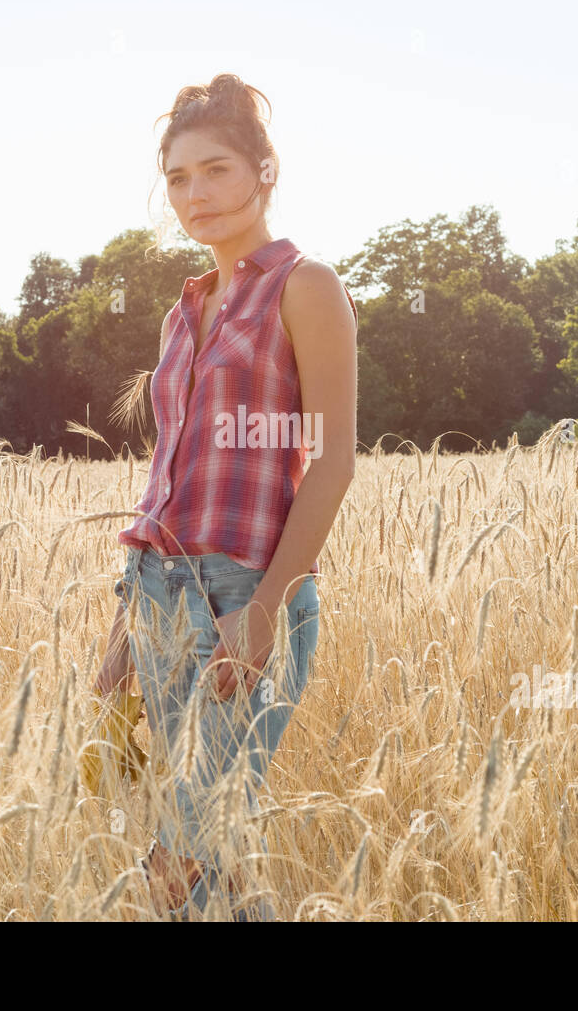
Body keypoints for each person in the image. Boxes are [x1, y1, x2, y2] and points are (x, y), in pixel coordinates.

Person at [93, 73, 358, 920]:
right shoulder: (184, 311)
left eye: (215, 170)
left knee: (182, 854)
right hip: (158, 598)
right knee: (214, 866)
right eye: (176, 177)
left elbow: (333, 460)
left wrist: (267, 607)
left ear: (265, 170)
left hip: (247, 593)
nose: (194, 194)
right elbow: (165, 478)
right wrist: (122, 631)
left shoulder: (304, 286)